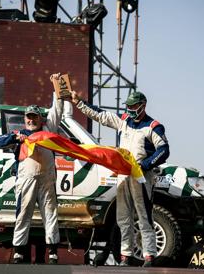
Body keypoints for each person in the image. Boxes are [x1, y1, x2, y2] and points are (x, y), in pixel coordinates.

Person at [70, 90, 170, 267]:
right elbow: (100, 115)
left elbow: (163, 150)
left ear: (143, 105)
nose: (130, 109)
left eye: (133, 106)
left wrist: (145, 165)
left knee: (144, 215)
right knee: (123, 216)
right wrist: (79, 103)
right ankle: (126, 254)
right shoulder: (123, 120)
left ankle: (149, 255)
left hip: (142, 176)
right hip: (123, 174)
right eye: (128, 106)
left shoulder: (154, 126)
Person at [0, 74, 64, 264]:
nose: (32, 120)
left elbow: (57, 108)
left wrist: (56, 84)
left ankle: (52, 253)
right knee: (22, 215)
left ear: (41, 118)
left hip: (46, 180)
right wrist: (14, 138)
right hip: (25, 180)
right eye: (29, 117)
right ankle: (19, 252)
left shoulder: (49, 129)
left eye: (35, 117)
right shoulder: (20, 134)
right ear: (25, 119)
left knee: (50, 215)